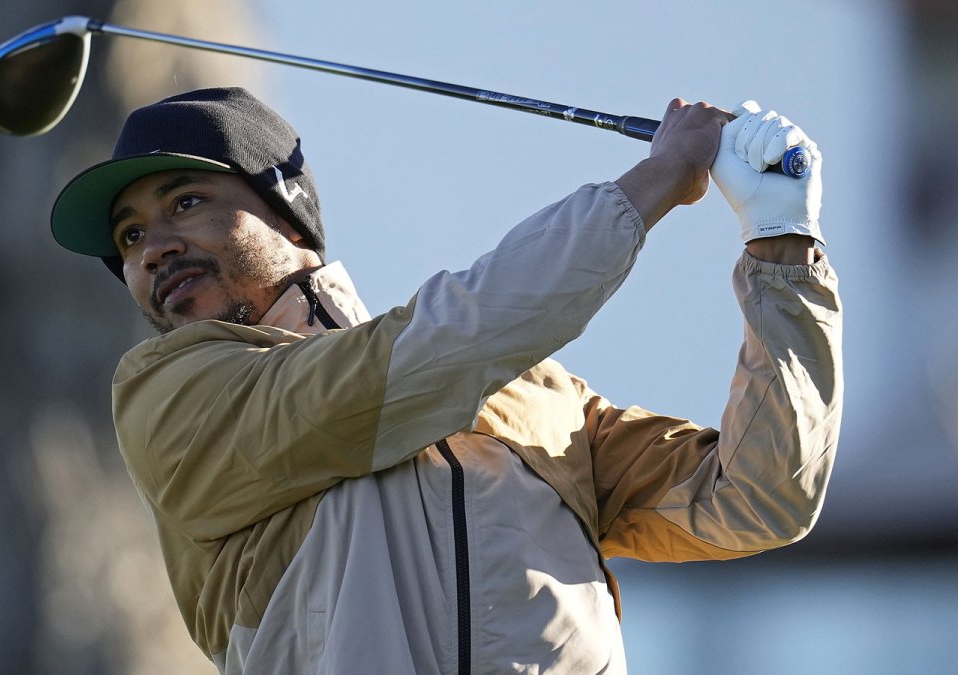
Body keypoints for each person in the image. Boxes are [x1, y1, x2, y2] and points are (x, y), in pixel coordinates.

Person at [50, 87, 842, 674]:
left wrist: (782, 249)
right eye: (129, 237)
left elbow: (755, 498)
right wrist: (659, 177)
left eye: (185, 202)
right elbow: (425, 359)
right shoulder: (169, 396)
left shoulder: (530, 393)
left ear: (289, 218)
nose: (151, 248)